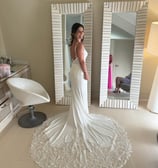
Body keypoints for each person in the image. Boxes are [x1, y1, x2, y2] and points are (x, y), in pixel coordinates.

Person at [30, 23, 132, 168]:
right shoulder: (79, 45)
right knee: (79, 95)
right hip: (79, 72)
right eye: (79, 32)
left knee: (78, 96)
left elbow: (75, 60)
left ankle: (79, 115)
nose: (81, 34)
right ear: (73, 33)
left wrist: (81, 70)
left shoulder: (72, 45)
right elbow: (82, 61)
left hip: (74, 71)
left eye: (82, 32)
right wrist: (86, 73)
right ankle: (80, 118)